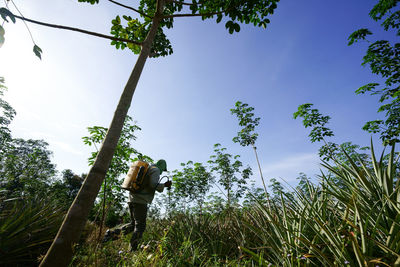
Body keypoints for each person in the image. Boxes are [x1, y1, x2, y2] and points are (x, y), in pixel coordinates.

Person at [128, 159, 172, 251]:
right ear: (162, 166)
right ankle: (132, 250)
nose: (162, 171)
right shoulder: (155, 170)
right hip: (140, 201)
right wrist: (164, 185)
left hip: (132, 198)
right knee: (140, 226)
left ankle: (111, 234)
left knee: (133, 225)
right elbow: (153, 185)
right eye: (163, 169)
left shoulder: (148, 168)